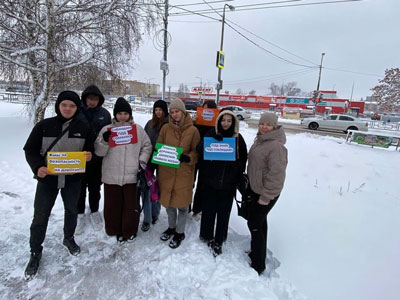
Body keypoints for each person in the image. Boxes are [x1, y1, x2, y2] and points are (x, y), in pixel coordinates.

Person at [23, 91, 94, 281]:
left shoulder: (83, 128)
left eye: (72, 106)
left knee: (71, 211)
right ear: (59, 106)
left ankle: (68, 238)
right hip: (48, 180)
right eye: (65, 105)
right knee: (40, 216)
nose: (68, 109)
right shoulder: (44, 126)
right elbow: (29, 149)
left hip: (72, 180)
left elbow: (91, 150)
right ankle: (35, 252)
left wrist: (89, 155)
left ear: (77, 108)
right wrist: (37, 167)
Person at [95, 97, 152, 244]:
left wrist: (142, 161)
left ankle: (129, 231)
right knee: (113, 205)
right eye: (119, 113)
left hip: (132, 176)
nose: (122, 116)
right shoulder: (106, 130)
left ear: (130, 114)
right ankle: (115, 230)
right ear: (115, 114)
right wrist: (105, 140)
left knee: (131, 206)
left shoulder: (138, 130)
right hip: (111, 175)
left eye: (125, 113)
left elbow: (147, 146)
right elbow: (99, 152)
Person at [197, 109, 247, 256]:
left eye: (229, 121)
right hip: (210, 182)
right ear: (219, 121)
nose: (225, 123)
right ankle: (206, 235)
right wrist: (213, 137)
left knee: (223, 213)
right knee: (209, 210)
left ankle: (219, 239)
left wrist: (235, 172)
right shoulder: (211, 133)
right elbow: (200, 149)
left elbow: (243, 158)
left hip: (228, 183)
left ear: (233, 122)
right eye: (223, 120)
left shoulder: (238, 138)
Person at [247, 112, 288, 275]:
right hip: (257, 189)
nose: (264, 127)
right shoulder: (261, 140)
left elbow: (277, 175)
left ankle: (258, 264)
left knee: (255, 224)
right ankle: (257, 253)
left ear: (274, 127)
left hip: (266, 193)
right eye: (262, 124)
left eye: (268, 125)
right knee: (260, 223)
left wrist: (266, 196)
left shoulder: (276, 146)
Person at [157, 98, 200, 249]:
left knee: (182, 206)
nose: (175, 115)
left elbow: (197, 152)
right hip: (166, 172)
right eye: (172, 112)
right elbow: (159, 147)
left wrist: (188, 158)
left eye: (177, 111)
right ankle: (171, 227)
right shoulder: (165, 129)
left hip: (184, 173)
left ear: (183, 112)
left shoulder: (193, 130)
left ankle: (180, 232)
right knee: (169, 205)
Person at [76, 85, 111, 233]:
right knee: (79, 188)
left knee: (95, 187)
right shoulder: (77, 112)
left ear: (99, 100)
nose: (92, 102)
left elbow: (109, 135)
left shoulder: (104, 114)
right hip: (78, 158)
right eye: (90, 99)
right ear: (85, 98)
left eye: (95, 99)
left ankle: (95, 211)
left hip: (97, 158)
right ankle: (79, 214)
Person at [140, 100, 169, 232]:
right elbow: (144, 141)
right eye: (156, 109)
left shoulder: (170, 125)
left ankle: (155, 213)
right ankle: (147, 218)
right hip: (150, 159)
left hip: (164, 160)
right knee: (147, 188)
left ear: (165, 111)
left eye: (160, 110)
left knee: (159, 188)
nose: (158, 112)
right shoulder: (149, 124)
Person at [191, 100, 218, 221]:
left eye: (209, 110)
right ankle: (185, 206)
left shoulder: (216, 124)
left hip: (207, 158)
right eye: (204, 109)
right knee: (189, 182)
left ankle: (197, 209)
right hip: (194, 155)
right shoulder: (196, 122)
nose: (206, 112)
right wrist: (192, 122)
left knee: (202, 184)